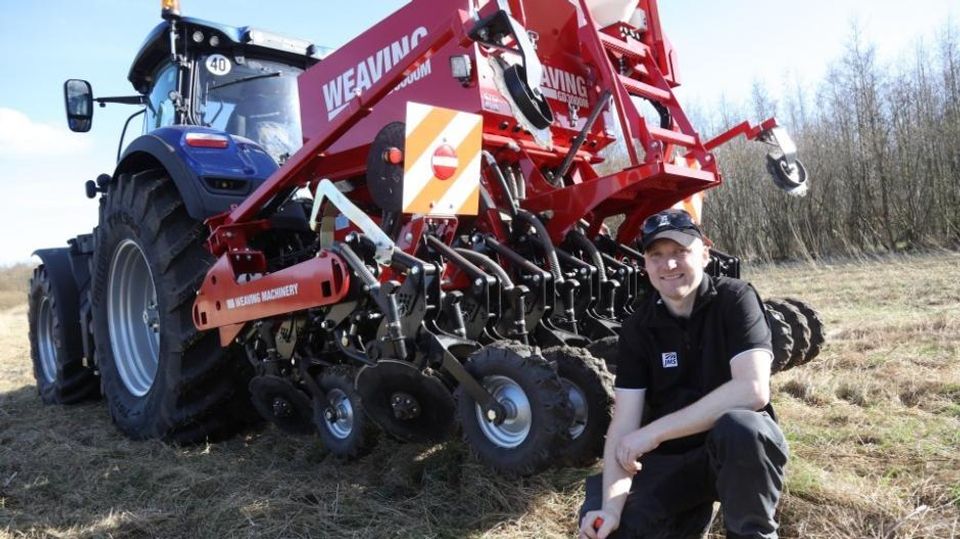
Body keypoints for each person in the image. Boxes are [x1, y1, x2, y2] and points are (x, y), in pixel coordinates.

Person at [578, 208, 789, 539]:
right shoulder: (638, 326)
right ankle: (686, 522)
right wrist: (610, 508)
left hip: (737, 455)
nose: (669, 264)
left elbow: (752, 390)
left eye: (680, 252)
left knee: (743, 428)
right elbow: (624, 424)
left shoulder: (735, 299)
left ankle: (753, 532)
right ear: (644, 264)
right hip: (672, 461)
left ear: (705, 253)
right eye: (656, 255)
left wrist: (654, 433)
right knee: (609, 529)